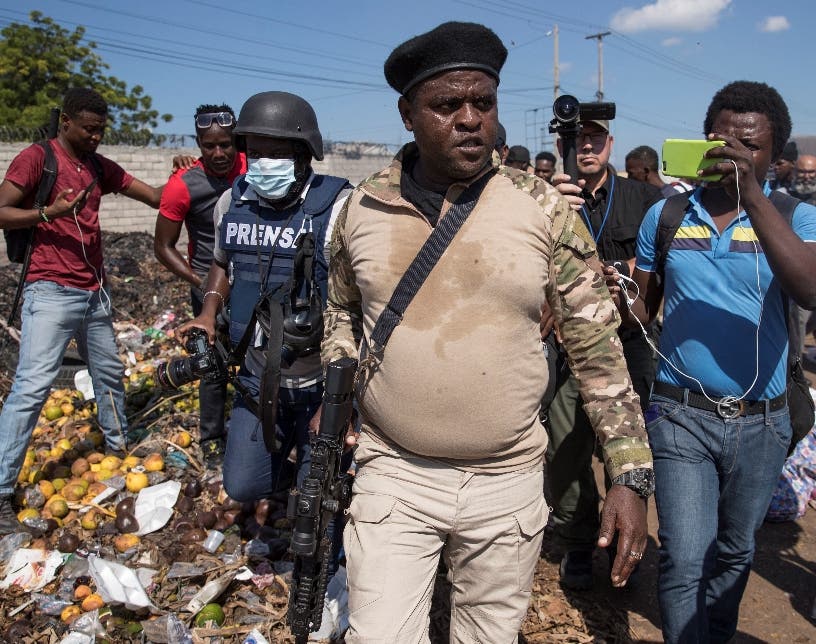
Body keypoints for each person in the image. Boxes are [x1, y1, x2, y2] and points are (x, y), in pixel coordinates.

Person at [322, 21, 653, 642]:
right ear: (408, 114)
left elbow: (598, 351)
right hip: (394, 473)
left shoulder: (543, 208)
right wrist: (339, 393)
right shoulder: (360, 209)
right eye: (448, 105)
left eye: (484, 103)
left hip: (508, 479)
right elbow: (340, 311)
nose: (471, 119)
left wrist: (629, 475)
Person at [612, 80, 816, 643]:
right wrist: (619, 297)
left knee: (734, 551)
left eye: (748, 146)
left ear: (774, 157)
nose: (731, 154)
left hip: (763, 422)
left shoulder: (797, 219)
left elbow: (810, 288)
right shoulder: (668, 215)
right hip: (681, 416)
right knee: (683, 558)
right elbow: (641, 314)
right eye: (720, 140)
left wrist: (753, 195)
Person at [0, 88, 163, 534]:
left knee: (108, 375)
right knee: (32, 388)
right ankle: (0, 489)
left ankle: (118, 450)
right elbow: (1, 211)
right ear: (65, 121)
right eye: (88, 129)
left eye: (100, 131)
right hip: (49, 290)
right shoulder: (37, 159)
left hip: (94, 293)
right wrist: (46, 213)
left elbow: (152, 195)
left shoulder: (97, 166)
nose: (95, 137)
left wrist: (186, 179)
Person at [177, 90, 352, 508]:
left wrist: (349, 397)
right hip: (256, 375)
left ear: (304, 155)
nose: (263, 164)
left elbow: (360, 299)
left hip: (320, 379)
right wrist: (207, 311)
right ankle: (289, 476)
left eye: (276, 155)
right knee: (241, 486)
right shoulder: (232, 201)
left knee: (323, 499)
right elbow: (223, 261)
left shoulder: (340, 208)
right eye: (255, 154)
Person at [548, 118, 661, 590]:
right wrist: (551, 209)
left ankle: (622, 542)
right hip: (565, 346)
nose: (586, 146)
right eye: (576, 140)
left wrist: (623, 286)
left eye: (595, 138)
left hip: (629, 343)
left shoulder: (643, 200)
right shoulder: (546, 199)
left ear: (610, 144)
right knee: (565, 451)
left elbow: (657, 278)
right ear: (561, 146)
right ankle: (577, 543)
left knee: (630, 451)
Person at [154, 104, 246, 468]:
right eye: (209, 146)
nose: (219, 153)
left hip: (254, 283)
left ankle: (254, 429)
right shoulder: (183, 185)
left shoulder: (254, 170)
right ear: (199, 144)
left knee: (257, 357)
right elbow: (162, 246)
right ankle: (211, 438)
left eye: (225, 144)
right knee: (211, 363)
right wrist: (202, 283)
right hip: (208, 286)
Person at [625, 144, 691, 197]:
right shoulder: (644, 196)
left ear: (646, 171)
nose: (628, 178)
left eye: (631, 173)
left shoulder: (671, 198)